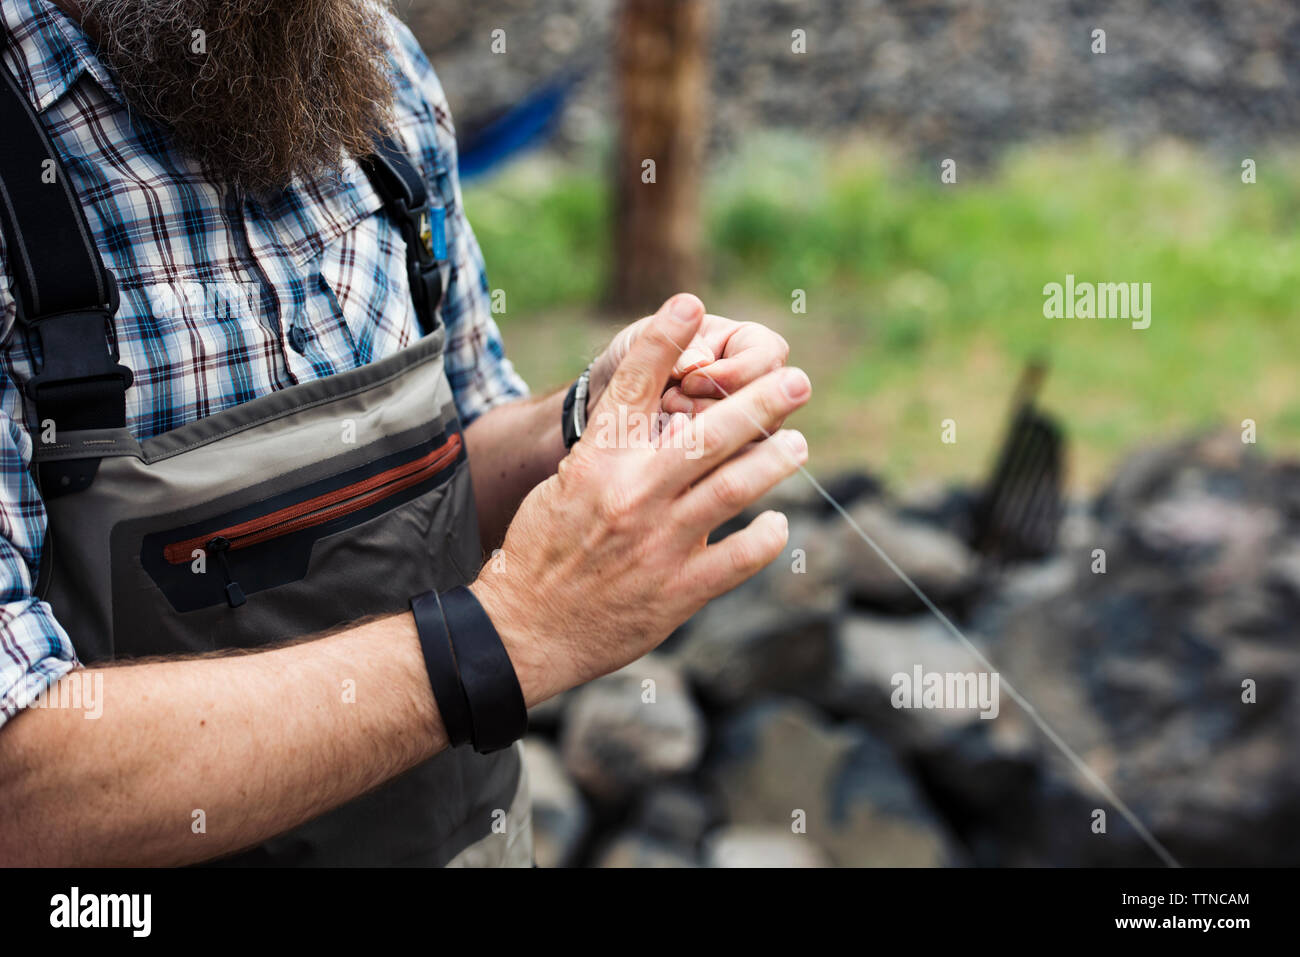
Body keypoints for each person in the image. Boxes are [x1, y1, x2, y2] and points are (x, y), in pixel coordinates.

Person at [0, 0, 811, 866]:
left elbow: (457, 459)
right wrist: (504, 638)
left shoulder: (377, 66)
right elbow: (20, 785)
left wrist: (584, 424)